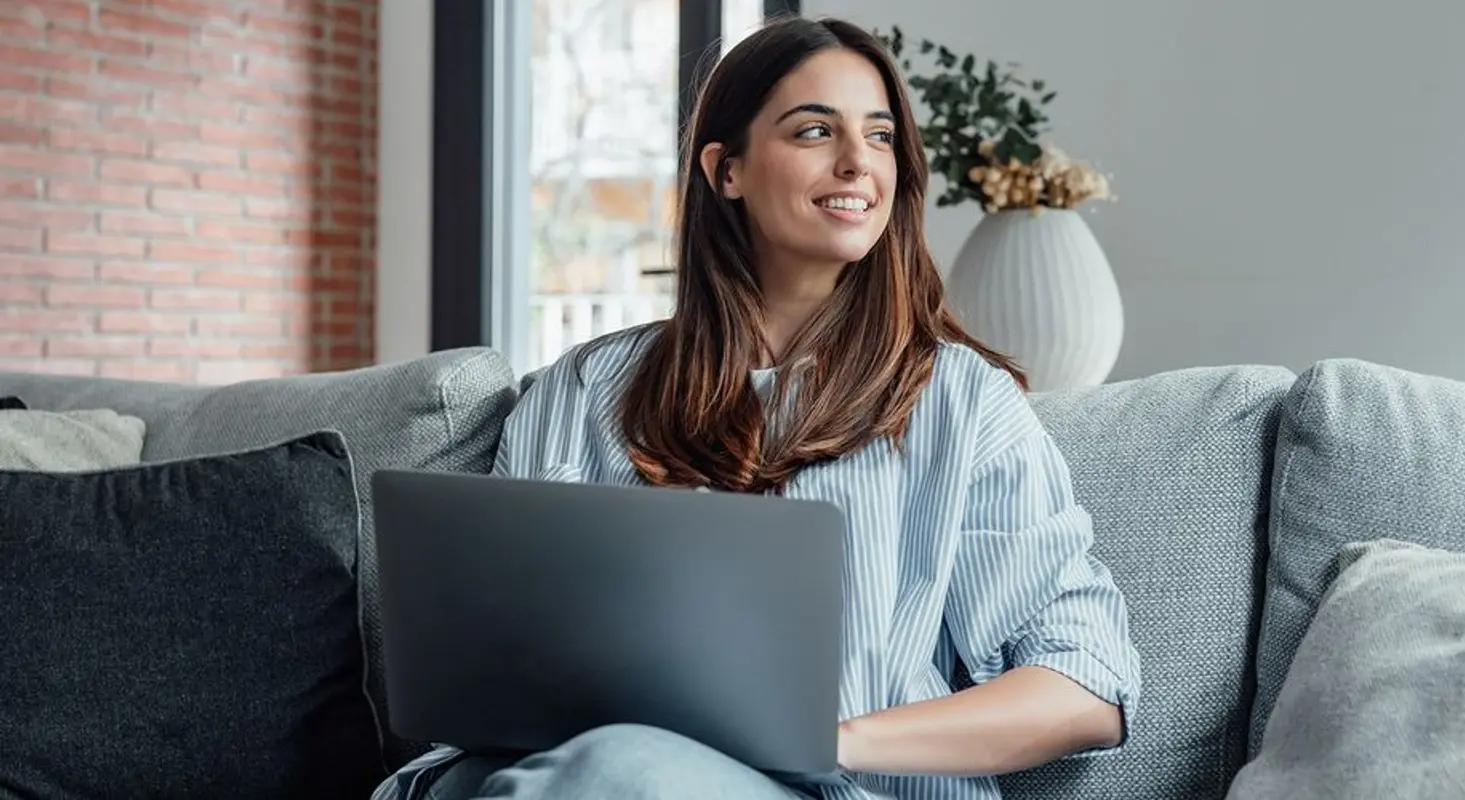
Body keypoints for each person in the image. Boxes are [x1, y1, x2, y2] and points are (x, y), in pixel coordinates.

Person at [372, 14, 1140, 800]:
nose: (857, 162)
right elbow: (504, 654)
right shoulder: (582, 389)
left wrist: (833, 739)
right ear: (727, 170)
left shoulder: (961, 401)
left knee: (615, 772)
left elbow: (1084, 684)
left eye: (879, 136)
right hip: (573, 772)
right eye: (816, 131)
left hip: (825, 787)